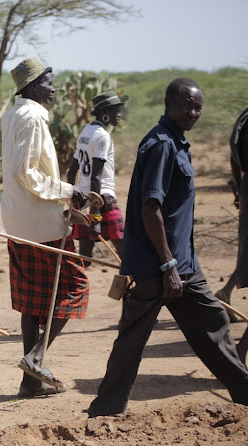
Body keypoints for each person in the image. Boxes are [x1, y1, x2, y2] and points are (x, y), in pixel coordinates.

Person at [87, 78, 248, 417]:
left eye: (198, 108)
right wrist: (168, 265)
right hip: (161, 268)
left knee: (214, 324)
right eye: (187, 105)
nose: (193, 112)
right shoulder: (160, 145)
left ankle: (244, 390)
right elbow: (151, 208)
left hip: (181, 264)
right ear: (168, 103)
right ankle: (104, 411)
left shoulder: (176, 142)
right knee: (133, 340)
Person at [0, 57, 89, 396]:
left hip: (17, 220)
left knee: (30, 301)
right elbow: (27, 172)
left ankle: (29, 381)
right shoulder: (34, 115)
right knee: (76, 287)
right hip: (42, 222)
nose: (53, 88)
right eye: (48, 82)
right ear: (33, 86)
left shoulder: (11, 114)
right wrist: (71, 191)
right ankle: (36, 357)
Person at [66, 91, 126, 261]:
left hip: (84, 200)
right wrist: (96, 218)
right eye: (115, 110)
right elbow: (95, 178)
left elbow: (72, 172)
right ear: (104, 114)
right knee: (125, 254)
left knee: (85, 258)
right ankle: (132, 286)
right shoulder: (102, 136)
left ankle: (75, 286)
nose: (119, 115)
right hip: (102, 199)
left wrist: (74, 205)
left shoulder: (86, 131)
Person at [214, 106, 248, 326]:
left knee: (246, 250)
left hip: (247, 187)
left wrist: (239, 190)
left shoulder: (243, 119)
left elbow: (234, 161)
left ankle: (226, 291)